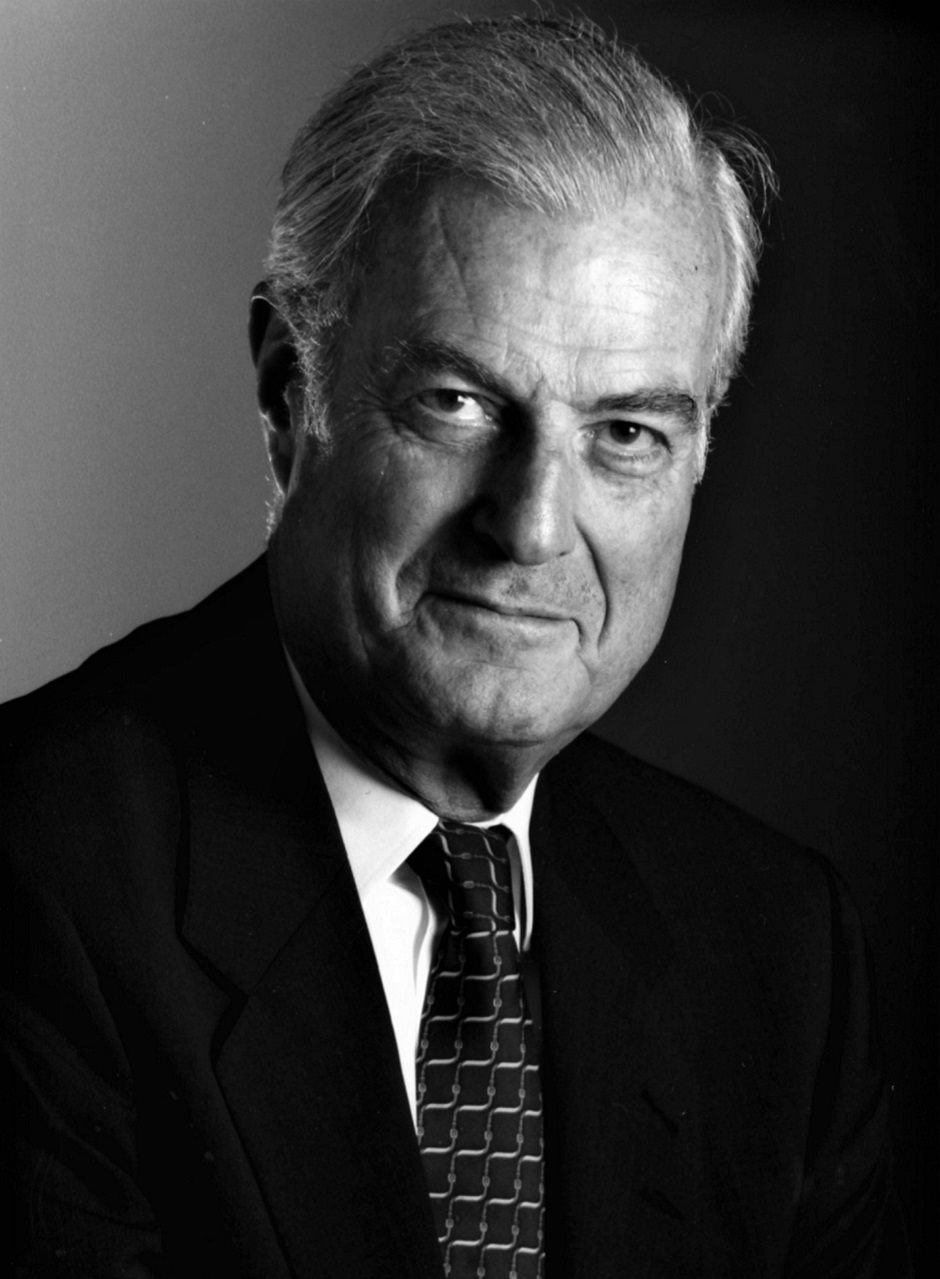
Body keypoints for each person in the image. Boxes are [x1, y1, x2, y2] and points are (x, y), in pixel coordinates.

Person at [1, 14, 909, 1278]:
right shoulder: (36, 874)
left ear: (698, 453)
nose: (530, 525)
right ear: (290, 393)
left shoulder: (776, 951)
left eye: (626, 434)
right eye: (457, 403)